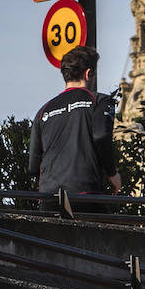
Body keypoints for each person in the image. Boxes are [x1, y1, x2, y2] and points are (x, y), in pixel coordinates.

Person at [27, 45, 121, 213]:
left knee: (50, 240)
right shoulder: (100, 101)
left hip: (50, 197)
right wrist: (112, 174)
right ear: (88, 73)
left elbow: (33, 166)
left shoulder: (43, 111)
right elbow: (101, 135)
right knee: (102, 237)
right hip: (85, 193)